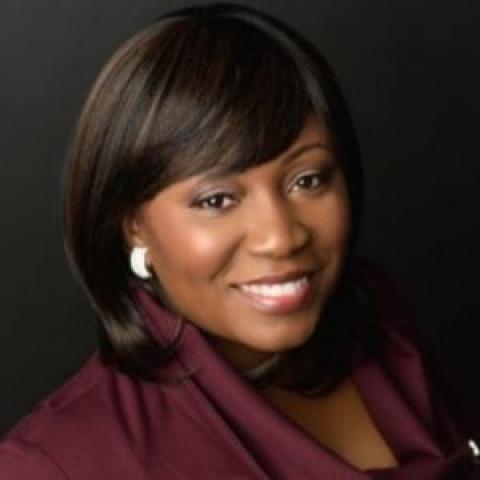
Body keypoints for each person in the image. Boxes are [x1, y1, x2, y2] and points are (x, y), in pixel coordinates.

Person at [0, 3, 478, 478]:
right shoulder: (51, 465)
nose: (281, 237)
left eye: (307, 180)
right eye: (216, 200)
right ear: (133, 226)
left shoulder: (380, 320)